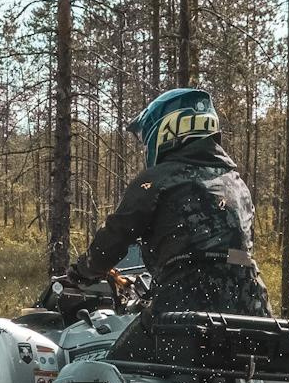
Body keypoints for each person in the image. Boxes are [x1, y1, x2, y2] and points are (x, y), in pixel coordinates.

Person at [69, 86, 271, 319]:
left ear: (167, 129)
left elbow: (115, 236)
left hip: (184, 307)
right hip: (252, 308)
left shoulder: (158, 180)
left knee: (109, 352)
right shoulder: (237, 184)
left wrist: (82, 272)